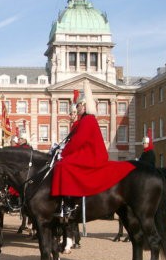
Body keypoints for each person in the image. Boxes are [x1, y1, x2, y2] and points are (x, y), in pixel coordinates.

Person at [51, 80, 135, 219]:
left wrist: (63, 153)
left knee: (63, 165)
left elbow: (78, 142)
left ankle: (68, 203)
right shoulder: (86, 119)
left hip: (92, 155)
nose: (76, 108)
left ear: (84, 106)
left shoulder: (88, 120)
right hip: (86, 153)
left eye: (78, 105)